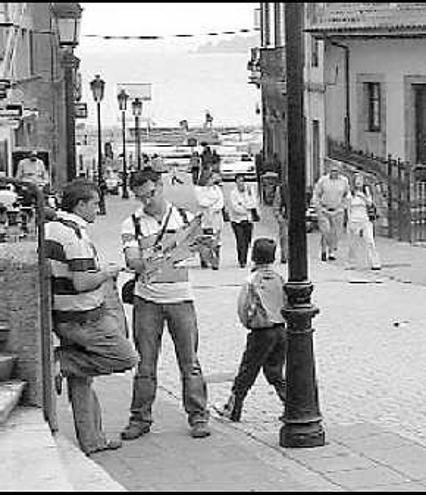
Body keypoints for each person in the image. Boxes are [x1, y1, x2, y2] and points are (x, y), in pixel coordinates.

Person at [45, 179, 139, 455]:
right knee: (125, 356)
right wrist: (108, 273)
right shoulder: (73, 235)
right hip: (83, 315)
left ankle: (92, 440)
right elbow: (82, 282)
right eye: (95, 204)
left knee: (82, 382)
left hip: (64, 315)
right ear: (80, 204)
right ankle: (61, 363)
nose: (98, 209)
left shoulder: (52, 228)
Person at [120, 169, 211, 440]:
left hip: (181, 297)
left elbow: (203, 248)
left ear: (161, 186)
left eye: (150, 194)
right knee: (145, 363)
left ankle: (198, 416)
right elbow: (132, 261)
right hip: (147, 299)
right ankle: (140, 418)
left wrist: (203, 245)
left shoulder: (185, 217)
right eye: (140, 197)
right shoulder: (132, 223)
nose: (147, 201)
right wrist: (164, 253)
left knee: (190, 362)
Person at [216, 238, 287, 422]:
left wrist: (248, 322)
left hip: (261, 331)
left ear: (253, 256)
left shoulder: (252, 280)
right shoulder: (279, 278)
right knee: (275, 371)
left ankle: (233, 407)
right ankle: (290, 404)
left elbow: (243, 306)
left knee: (247, 370)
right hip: (280, 330)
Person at [312, 164, 349, 261]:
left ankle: (331, 251)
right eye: (332, 170)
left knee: (335, 232)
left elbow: (347, 195)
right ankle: (324, 250)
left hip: (338, 210)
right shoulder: (323, 181)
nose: (334, 172)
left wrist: (343, 207)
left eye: (336, 170)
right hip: (324, 209)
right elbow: (316, 194)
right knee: (326, 230)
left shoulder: (344, 181)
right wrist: (318, 207)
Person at [345, 172, 381, 270]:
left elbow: (370, 203)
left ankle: (375, 262)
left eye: (360, 180)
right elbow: (348, 208)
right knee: (353, 242)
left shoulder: (366, 191)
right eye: (357, 180)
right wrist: (349, 221)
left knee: (369, 240)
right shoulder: (350, 193)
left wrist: (363, 197)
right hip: (354, 219)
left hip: (365, 219)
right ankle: (351, 262)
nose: (358, 182)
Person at [193, 172, 225, 270]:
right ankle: (205, 260)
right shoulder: (199, 190)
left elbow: (221, 203)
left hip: (216, 217)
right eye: (210, 179)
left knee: (216, 241)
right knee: (205, 240)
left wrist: (213, 205)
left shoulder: (217, 189)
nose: (212, 181)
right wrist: (212, 202)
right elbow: (202, 202)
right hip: (206, 219)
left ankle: (215, 262)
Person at [228, 174, 258, 268]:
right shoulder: (233, 193)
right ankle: (242, 260)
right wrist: (247, 207)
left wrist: (244, 205)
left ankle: (245, 256)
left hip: (248, 220)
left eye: (242, 181)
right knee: (240, 241)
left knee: (247, 240)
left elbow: (254, 203)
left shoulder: (250, 190)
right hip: (237, 221)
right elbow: (235, 208)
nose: (241, 183)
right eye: (238, 181)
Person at [273, 182, 288, 264]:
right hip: (285, 218)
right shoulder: (282, 189)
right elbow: (276, 204)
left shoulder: (301, 186)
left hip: (297, 219)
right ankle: (285, 256)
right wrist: (278, 216)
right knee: (284, 237)